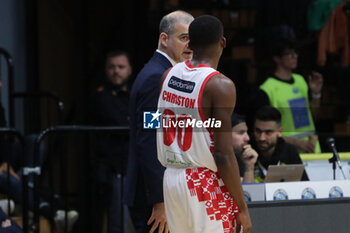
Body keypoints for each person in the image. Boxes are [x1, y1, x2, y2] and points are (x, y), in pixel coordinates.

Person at [157, 15, 252, 233]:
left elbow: (157, 122)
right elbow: (223, 154)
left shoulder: (167, 75)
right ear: (223, 42)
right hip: (202, 180)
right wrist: (242, 207)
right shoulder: (220, 85)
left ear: (189, 43)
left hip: (172, 178)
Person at [125, 10, 194, 233]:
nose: (190, 45)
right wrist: (160, 201)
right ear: (164, 39)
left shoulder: (165, 72)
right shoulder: (157, 77)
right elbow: (149, 139)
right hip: (153, 197)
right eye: (184, 38)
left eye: (192, 38)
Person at [253, 38, 323, 153]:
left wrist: (316, 94)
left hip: (312, 148)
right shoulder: (268, 88)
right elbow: (264, 131)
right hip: (287, 152)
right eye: (288, 54)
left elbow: (314, 116)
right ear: (276, 58)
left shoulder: (300, 80)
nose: (294, 56)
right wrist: (297, 143)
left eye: (295, 53)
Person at [89, 50, 131, 233]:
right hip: (114, 167)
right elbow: (122, 122)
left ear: (129, 70)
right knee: (118, 220)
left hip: (137, 164)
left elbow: (149, 121)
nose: (116, 71)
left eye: (121, 67)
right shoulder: (100, 96)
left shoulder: (136, 94)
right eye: (111, 67)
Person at [252, 106, 309, 182]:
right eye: (258, 131)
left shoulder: (289, 151)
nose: (262, 138)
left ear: (280, 132)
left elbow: (304, 185)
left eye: (268, 132)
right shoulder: (246, 150)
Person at [231, 114, 258, 183]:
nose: (247, 138)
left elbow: (250, 192)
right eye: (241, 133)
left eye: (246, 132)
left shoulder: (240, 159)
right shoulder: (211, 161)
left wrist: (249, 165)